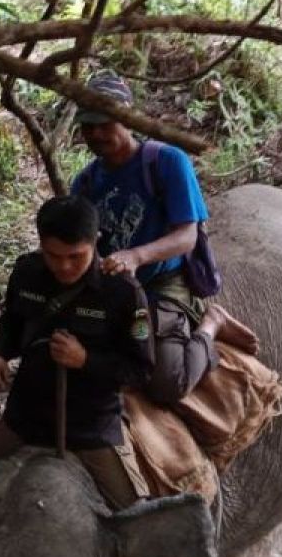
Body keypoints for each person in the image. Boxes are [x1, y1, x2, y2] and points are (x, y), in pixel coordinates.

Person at [0, 194, 190, 557]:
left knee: (137, 528)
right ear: (40, 247)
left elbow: (140, 368)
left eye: (76, 257)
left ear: (94, 246)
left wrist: (87, 359)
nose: (63, 267)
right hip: (26, 417)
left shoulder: (122, 293)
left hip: (90, 427)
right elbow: (12, 325)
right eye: (53, 256)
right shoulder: (26, 273)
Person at [71, 71, 258, 405]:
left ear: (128, 118)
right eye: (88, 125)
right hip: (112, 289)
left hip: (162, 283)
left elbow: (187, 236)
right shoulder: (84, 183)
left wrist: (136, 256)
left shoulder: (166, 162)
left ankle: (211, 325)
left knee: (167, 385)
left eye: (105, 122)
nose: (96, 133)